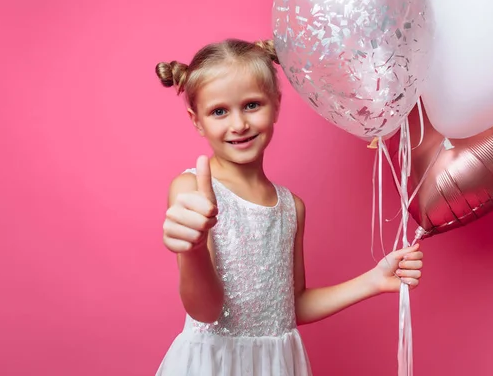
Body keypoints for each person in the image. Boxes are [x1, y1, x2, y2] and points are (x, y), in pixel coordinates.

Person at [154, 38, 424, 376]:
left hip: (277, 366)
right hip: (215, 366)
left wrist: (373, 280)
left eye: (252, 105)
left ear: (276, 105)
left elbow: (290, 306)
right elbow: (205, 312)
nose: (239, 124)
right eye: (219, 111)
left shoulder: (290, 208)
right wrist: (193, 250)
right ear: (197, 121)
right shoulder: (193, 190)